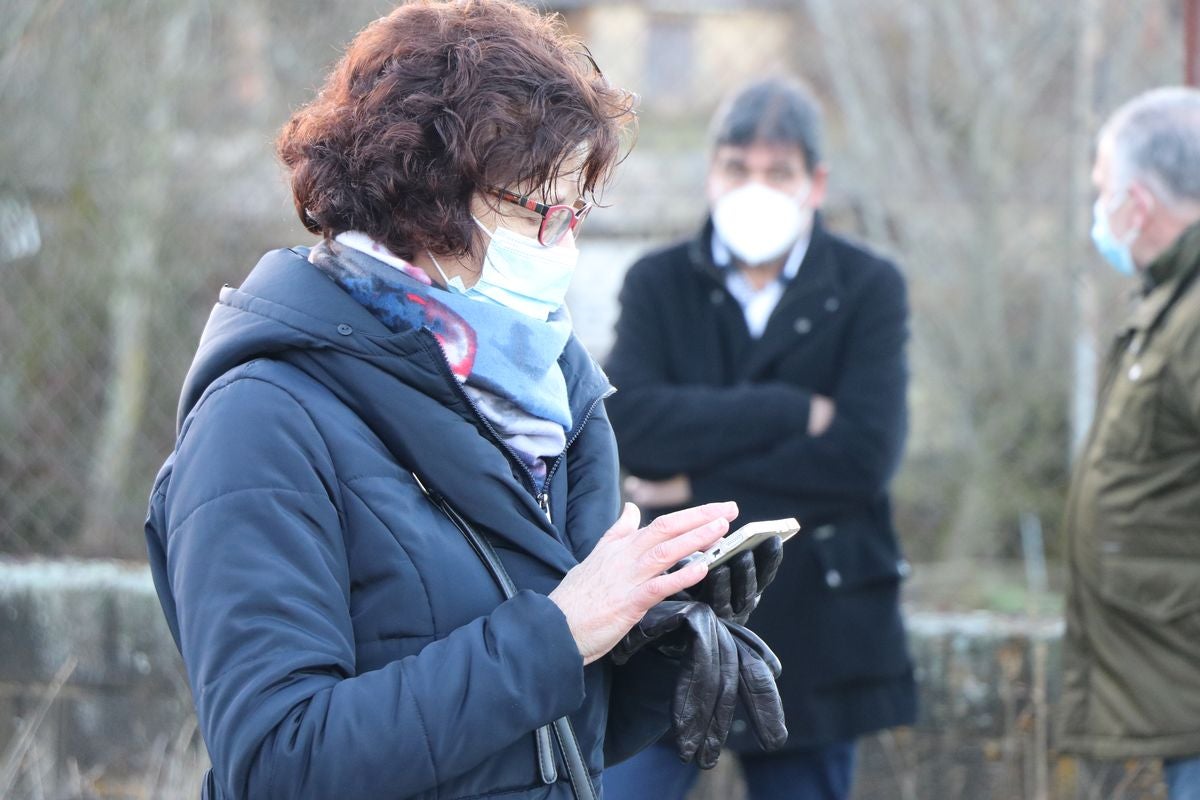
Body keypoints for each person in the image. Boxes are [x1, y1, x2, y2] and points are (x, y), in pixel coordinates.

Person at [142, 3, 787, 798]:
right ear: (425, 200)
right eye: (539, 210)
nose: (565, 245)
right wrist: (557, 633)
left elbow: (557, 743)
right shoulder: (259, 420)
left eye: (576, 210)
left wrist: (663, 632)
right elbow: (280, 761)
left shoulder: (553, 398)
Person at [602, 76, 916, 800]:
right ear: (712, 172)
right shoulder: (659, 282)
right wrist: (788, 409)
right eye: (738, 168)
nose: (755, 187)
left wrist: (689, 487)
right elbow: (632, 425)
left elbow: (860, 459)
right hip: (674, 616)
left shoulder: (868, 287)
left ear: (816, 183)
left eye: (778, 172)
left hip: (817, 625)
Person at [1060, 87, 1200, 800]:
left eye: (1101, 191)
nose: (1098, 212)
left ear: (1137, 204)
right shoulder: (1172, 302)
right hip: (1178, 689)